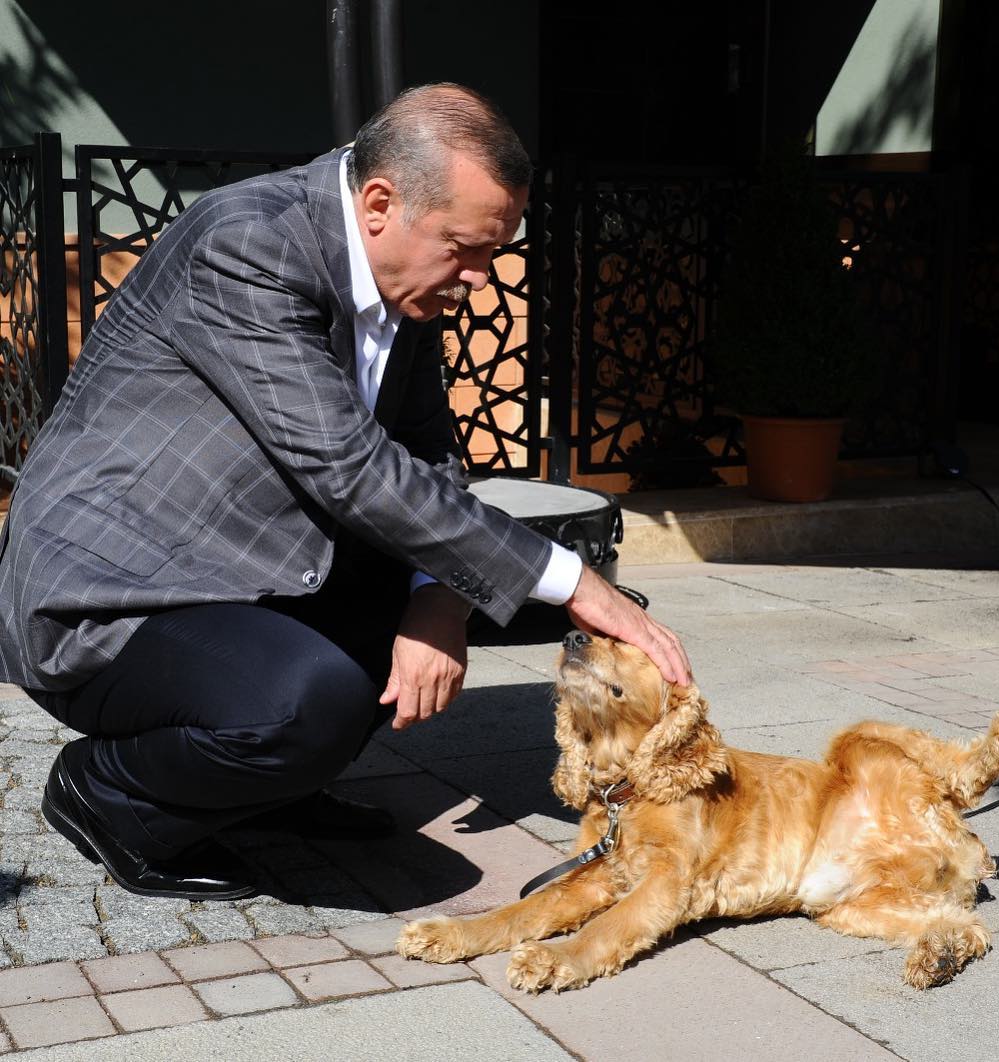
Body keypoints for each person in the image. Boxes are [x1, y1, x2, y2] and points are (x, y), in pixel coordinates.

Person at [0, 83, 689, 901]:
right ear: (378, 203)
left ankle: (266, 791)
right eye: (466, 248)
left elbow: (427, 450)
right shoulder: (246, 243)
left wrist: (440, 599)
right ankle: (112, 794)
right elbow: (347, 464)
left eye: (494, 253)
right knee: (310, 703)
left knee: (453, 613)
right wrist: (576, 581)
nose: (479, 278)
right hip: (118, 588)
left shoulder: (408, 275)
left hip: (248, 558)